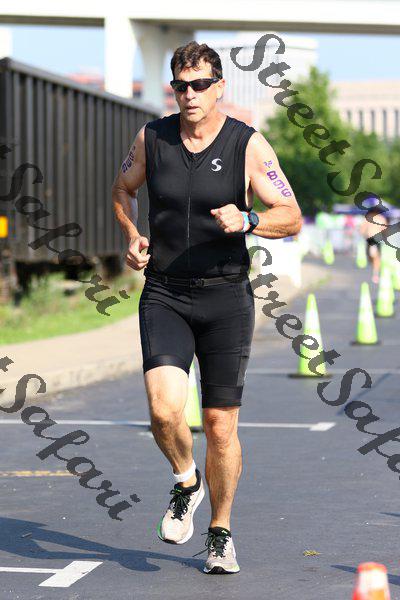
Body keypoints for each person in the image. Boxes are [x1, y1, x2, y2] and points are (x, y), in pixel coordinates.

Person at [112, 41, 302, 574]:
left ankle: (220, 532)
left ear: (220, 87)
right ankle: (185, 480)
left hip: (225, 297)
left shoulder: (248, 144)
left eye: (199, 84)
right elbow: (122, 189)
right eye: (181, 86)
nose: (189, 94)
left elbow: (290, 214)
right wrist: (131, 234)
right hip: (165, 292)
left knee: (219, 425)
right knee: (163, 410)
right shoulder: (152, 138)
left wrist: (250, 220)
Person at [359, 207, 389, 283]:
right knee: (374, 256)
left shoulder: (371, 218)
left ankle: (375, 273)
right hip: (374, 239)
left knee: (374, 256)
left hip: (373, 239)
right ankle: (375, 271)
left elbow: (362, 230)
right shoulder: (378, 218)